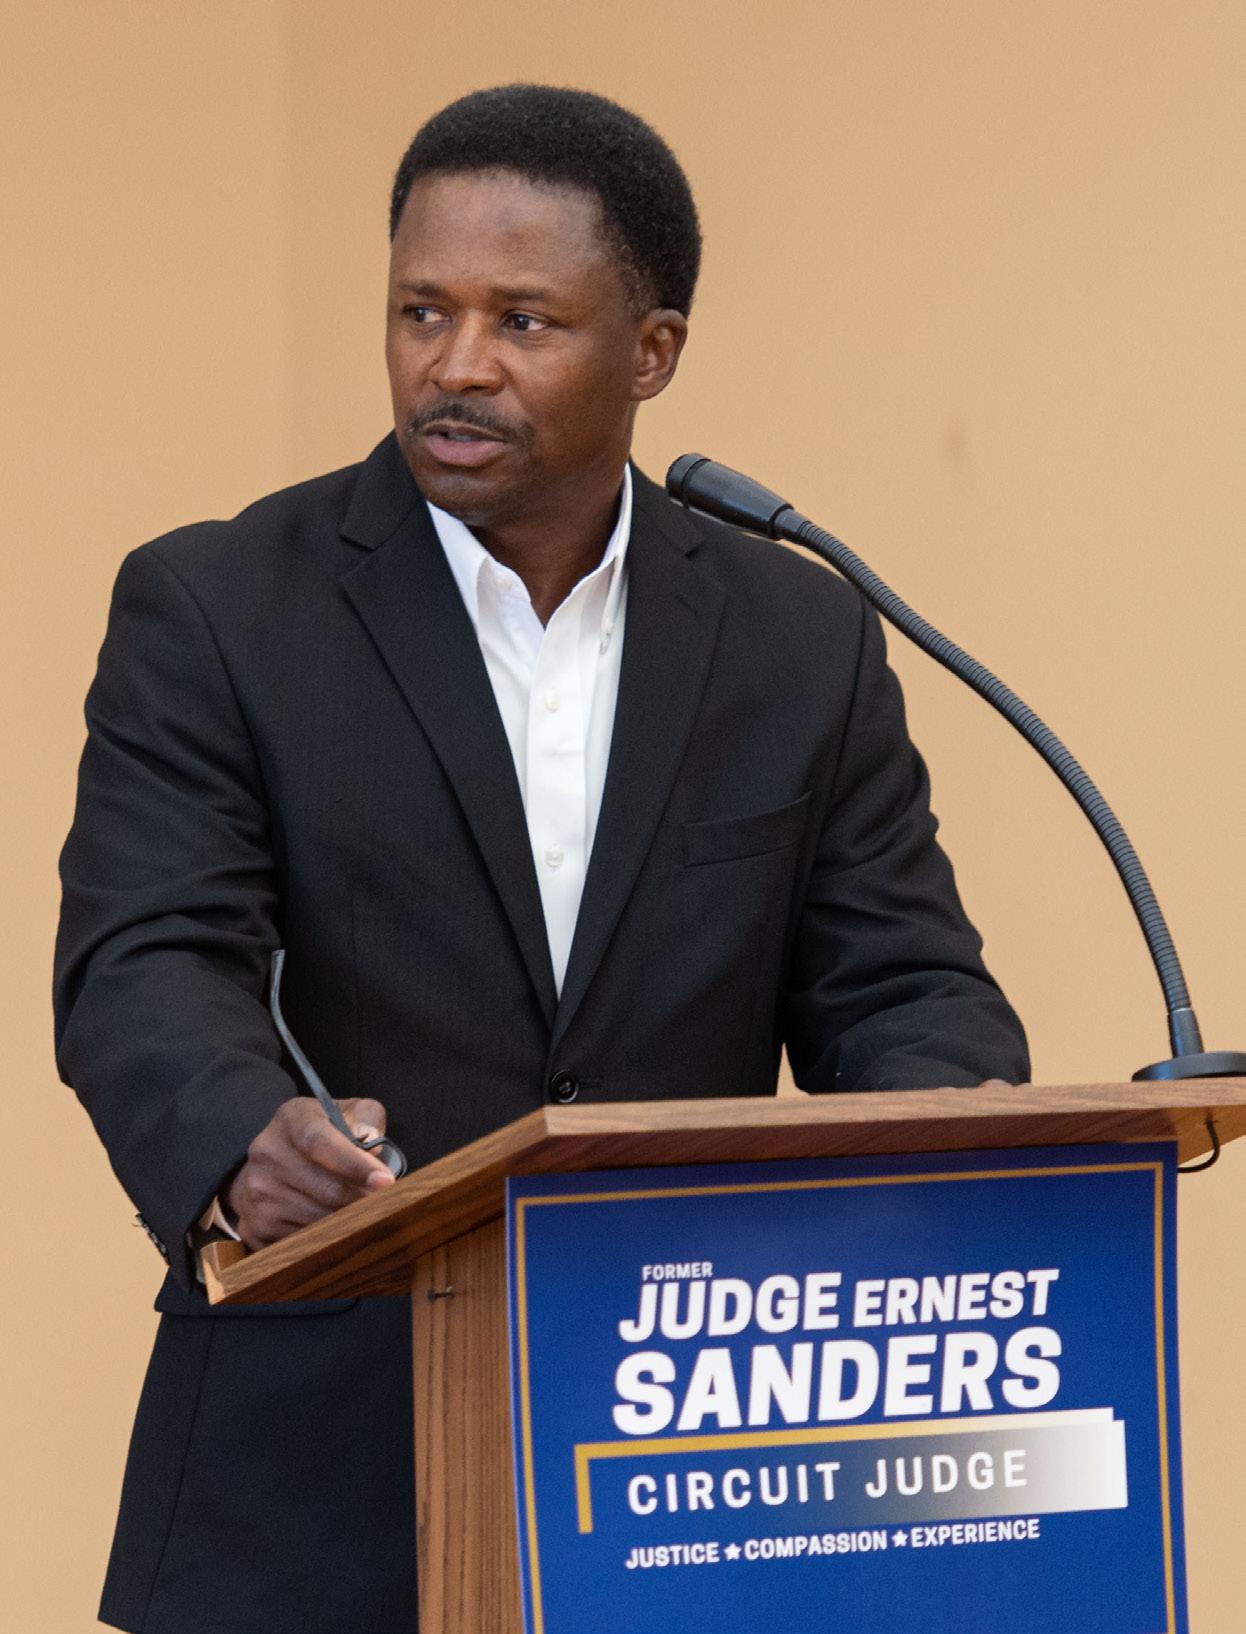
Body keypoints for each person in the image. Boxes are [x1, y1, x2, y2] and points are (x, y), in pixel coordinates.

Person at [55, 84, 1028, 1634]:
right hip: (311, 1469)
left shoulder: (797, 635)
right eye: (420, 310)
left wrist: (948, 1130)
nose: (455, 363)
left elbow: (898, 982)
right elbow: (147, 954)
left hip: (695, 1464)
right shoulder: (221, 607)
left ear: (651, 350)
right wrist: (244, 1140)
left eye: (521, 319)